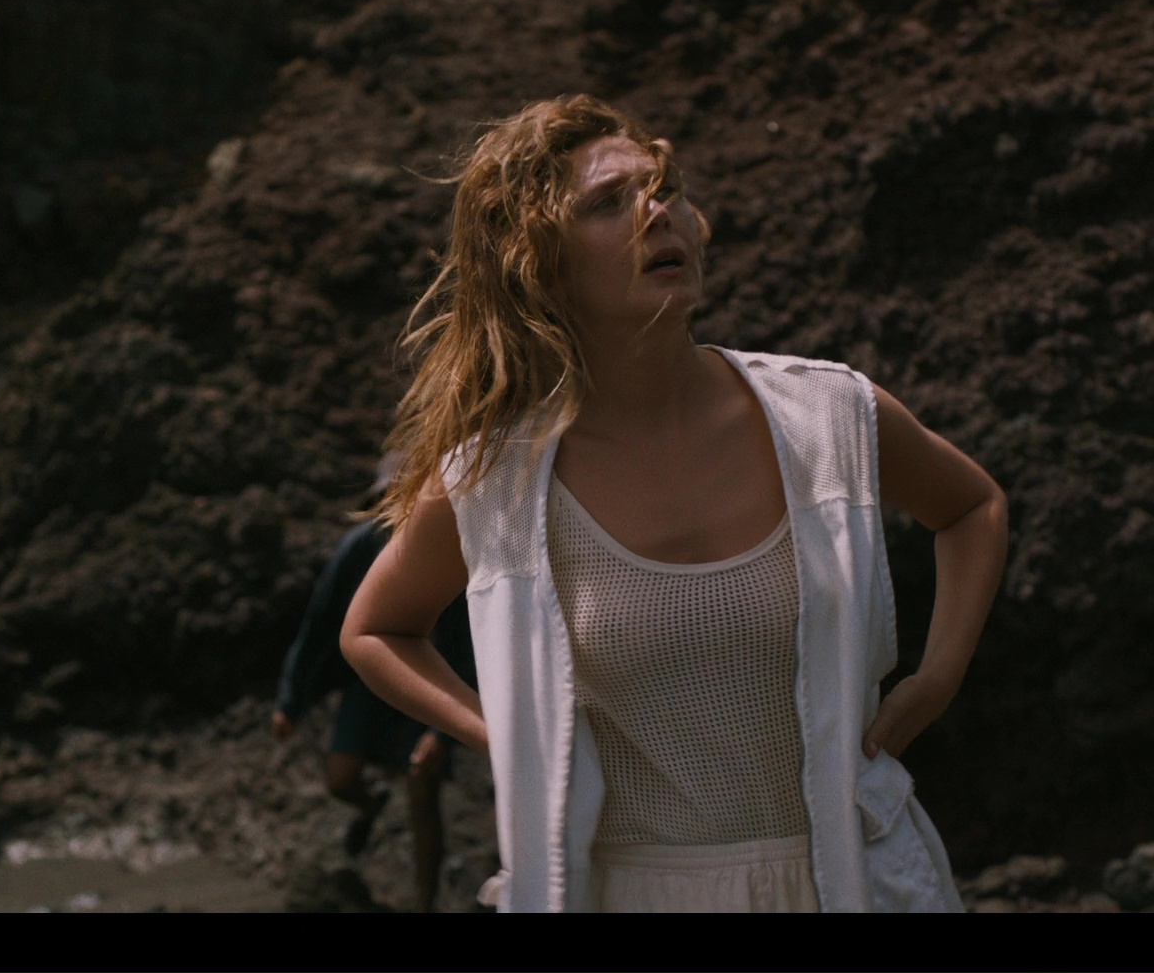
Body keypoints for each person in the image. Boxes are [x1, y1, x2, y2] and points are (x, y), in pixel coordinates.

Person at [341, 95, 1007, 913]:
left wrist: (936, 678)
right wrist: (512, 741)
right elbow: (374, 631)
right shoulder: (500, 482)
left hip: (860, 876)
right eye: (607, 203)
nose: (657, 213)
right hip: (634, 889)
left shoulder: (828, 414)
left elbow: (972, 507)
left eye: (667, 190)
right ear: (540, 267)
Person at [273, 473, 474, 913]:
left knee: (422, 789)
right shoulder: (360, 547)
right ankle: (369, 806)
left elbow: (467, 644)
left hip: (431, 682)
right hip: (369, 682)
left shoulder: (450, 545)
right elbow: (320, 622)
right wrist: (290, 700)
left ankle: (425, 903)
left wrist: (443, 733)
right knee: (340, 780)